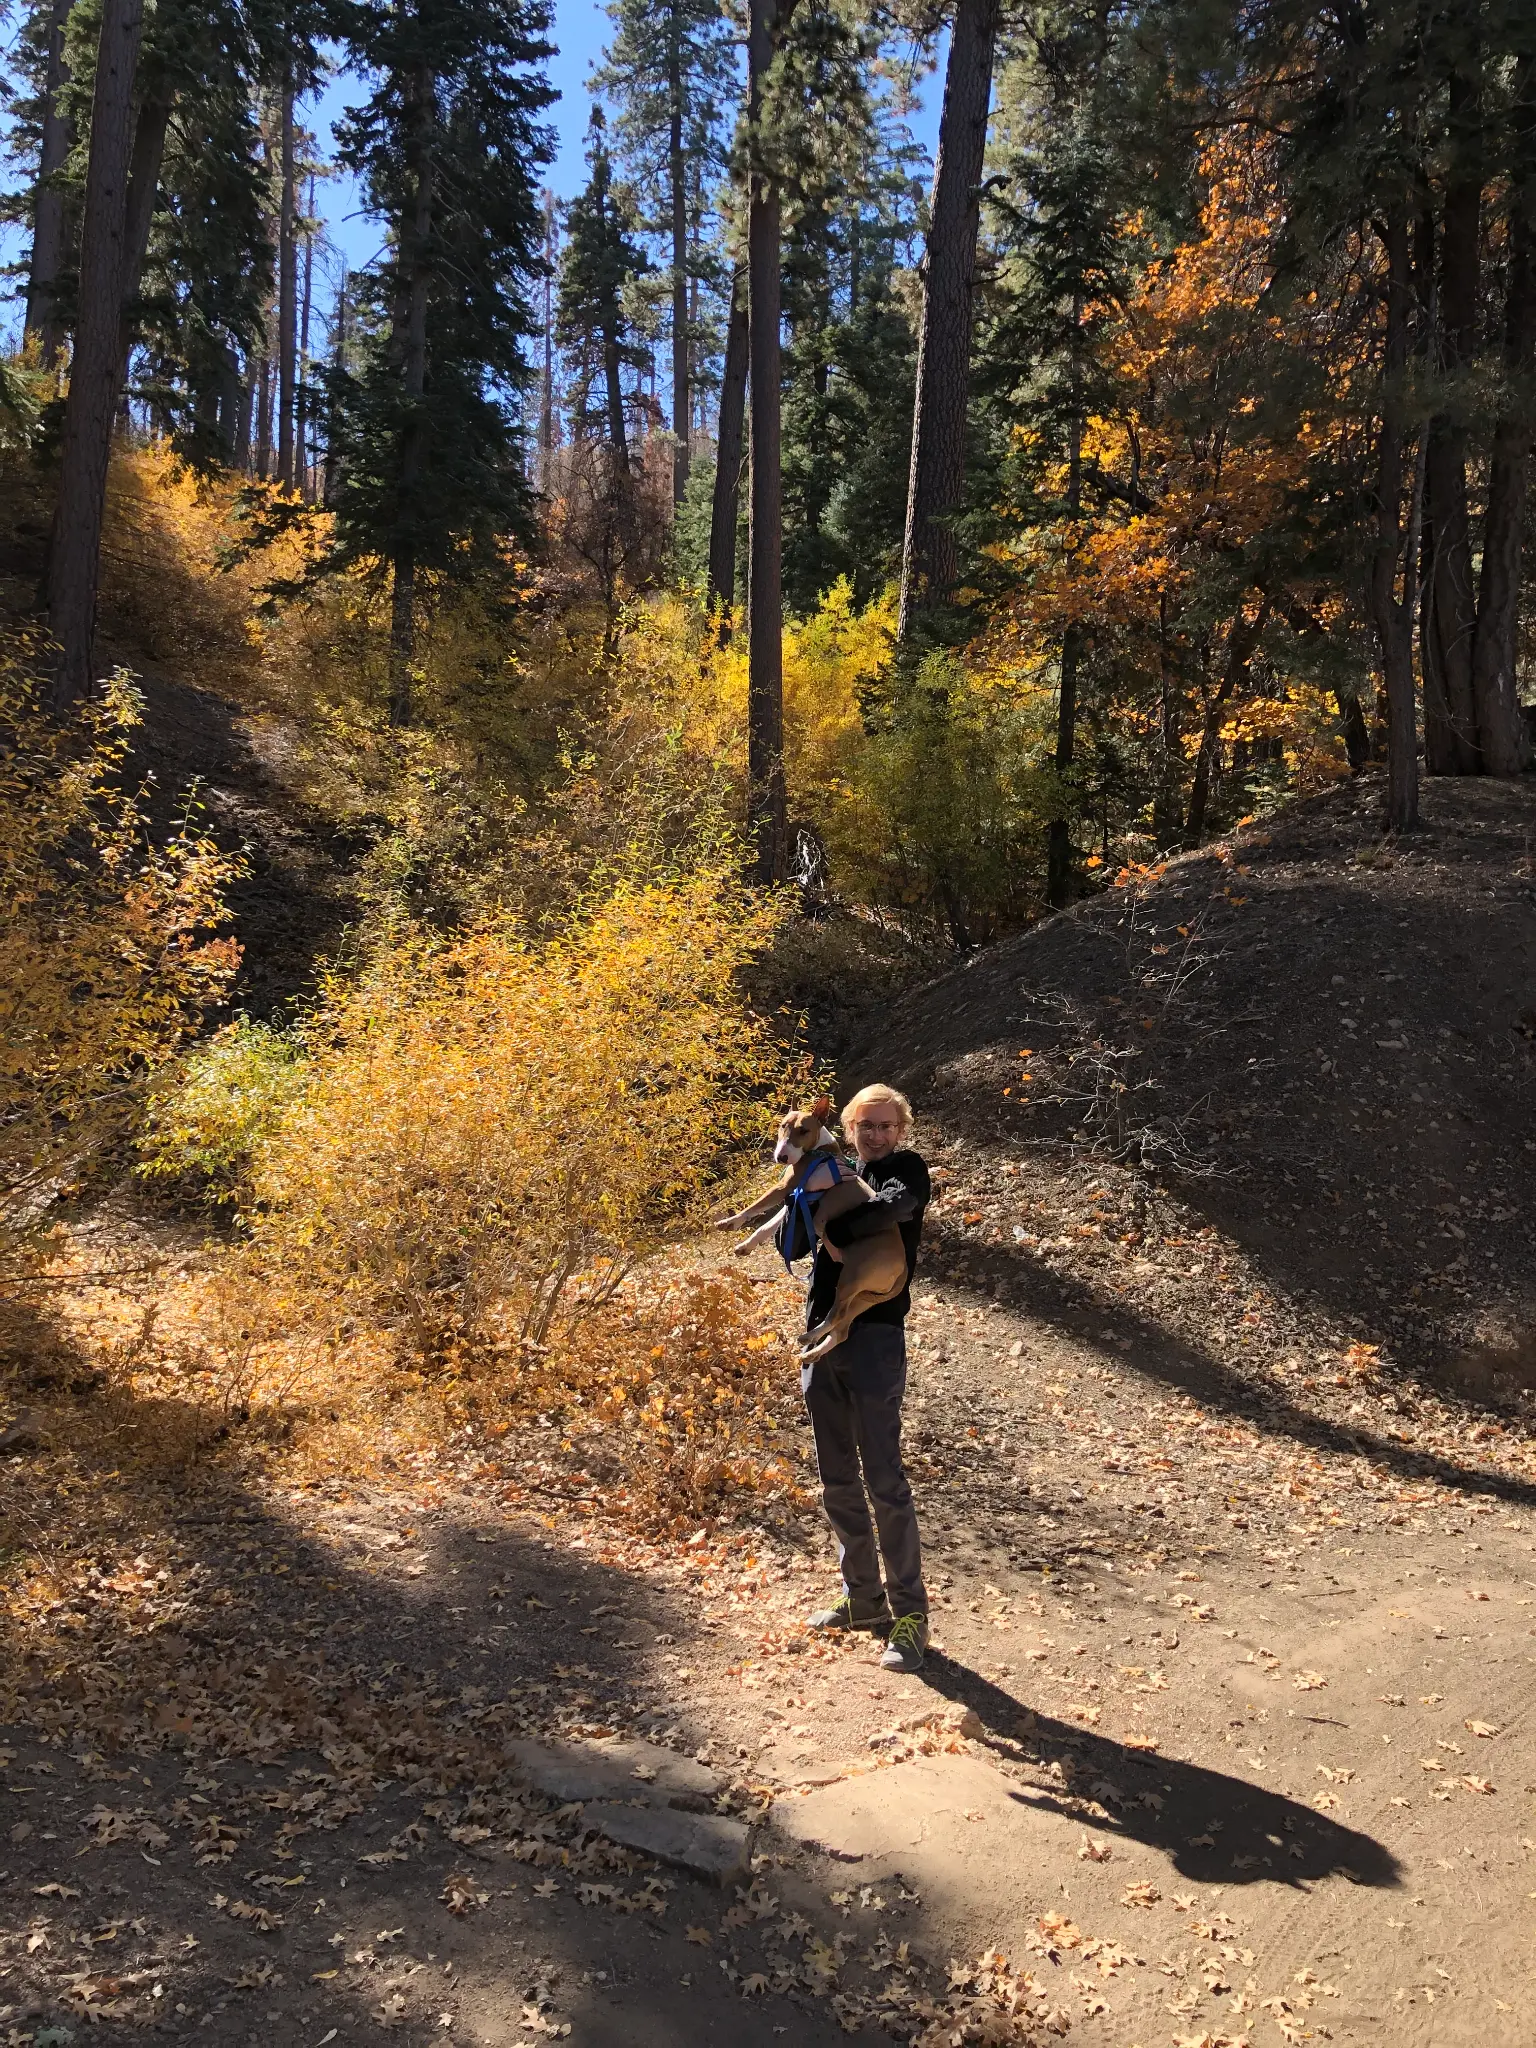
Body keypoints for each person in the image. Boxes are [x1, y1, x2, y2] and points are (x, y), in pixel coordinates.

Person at [802, 1083, 931, 1672]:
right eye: (868, 1126)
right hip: (823, 1337)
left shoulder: (906, 1170)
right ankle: (862, 1598)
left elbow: (892, 1212)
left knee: (884, 1479)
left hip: (875, 1340)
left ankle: (910, 1617)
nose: (878, 1135)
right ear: (850, 1128)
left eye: (887, 1126)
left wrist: (838, 1225)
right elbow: (801, 1233)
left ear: (899, 1130)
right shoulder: (837, 1171)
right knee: (837, 1480)